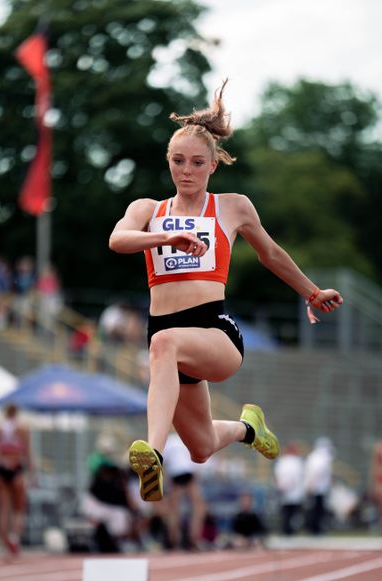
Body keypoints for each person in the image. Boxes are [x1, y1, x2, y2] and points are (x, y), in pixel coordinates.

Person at [108, 80, 344, 502]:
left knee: (162, 343)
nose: (186, 170)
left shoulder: (232, 207)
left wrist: (311, 293)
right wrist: (164, 239)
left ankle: (154, 455)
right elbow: (117, 240)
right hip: (171, 345)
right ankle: (250, 428)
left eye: (197, 163)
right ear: (168, 162)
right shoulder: (149, 211)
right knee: (200, 447)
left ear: (212, 166)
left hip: (214, 330)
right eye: (178, 161)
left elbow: (271, 253)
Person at [0, 403, 35, 556]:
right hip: (16, 468)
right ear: (17, 413)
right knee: (19, 508)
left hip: (1, 469)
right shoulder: (22, 429)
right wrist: (32, 474)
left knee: (3, 509)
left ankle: (5, 542)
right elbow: (28, 453)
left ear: (5, 413)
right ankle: (14, 538)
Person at [163, 432, 207, 549]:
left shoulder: (171, 440)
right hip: (186, 472)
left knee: (175, 510)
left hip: (177, 473)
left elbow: (162, 459)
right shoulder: (187, 436)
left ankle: (177, 539)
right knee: (196, 507)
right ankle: (189, 539)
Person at [304, 437, 334, 534]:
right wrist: (310, 485)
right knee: (316, 510)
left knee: (318, 510)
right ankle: (314, 529)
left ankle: (316, 528)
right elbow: (315, 473)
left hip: (318, 488)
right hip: (317, 489)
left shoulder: (316, 457)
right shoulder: (319, 458)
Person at [274, 441, 305, 535]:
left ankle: (288, 531)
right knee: (289, 515)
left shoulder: (284, 461)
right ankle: (287, 531)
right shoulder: (294, 462)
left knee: (289, 515)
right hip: (291, 492)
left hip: (290, 492)